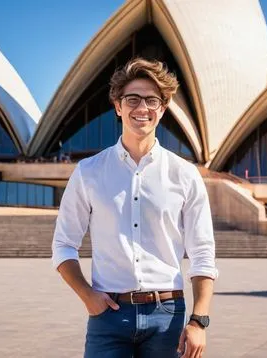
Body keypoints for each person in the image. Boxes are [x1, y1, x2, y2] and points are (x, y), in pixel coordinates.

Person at [52, 58, 218, 358]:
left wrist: (199, 320)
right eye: (132, 99)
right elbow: (63, 244)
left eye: (152, 100)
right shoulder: (88, 172)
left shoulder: (185, 174)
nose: (142, 108)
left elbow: (202, 251)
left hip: (166, 316)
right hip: (108, 316)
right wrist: (87, 295)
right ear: (118, 106)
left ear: (163, 109)